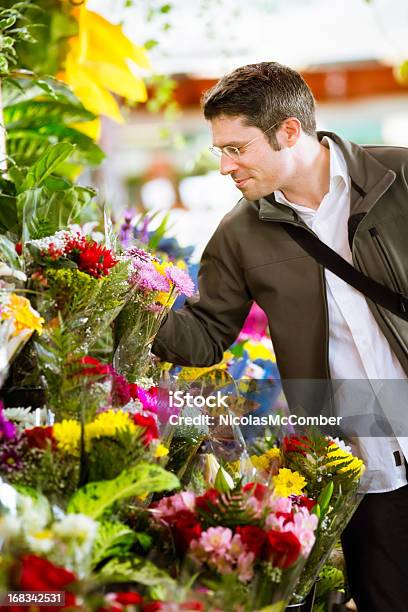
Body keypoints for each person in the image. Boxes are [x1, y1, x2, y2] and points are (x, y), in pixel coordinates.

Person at [152, 61, 408, 611]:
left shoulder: (400, 178)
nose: (224, 166)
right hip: (363, 469)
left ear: (289, 131)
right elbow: (202, 336)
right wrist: (131, 299)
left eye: (236, 148)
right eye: (219, 149)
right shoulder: (238, 233)